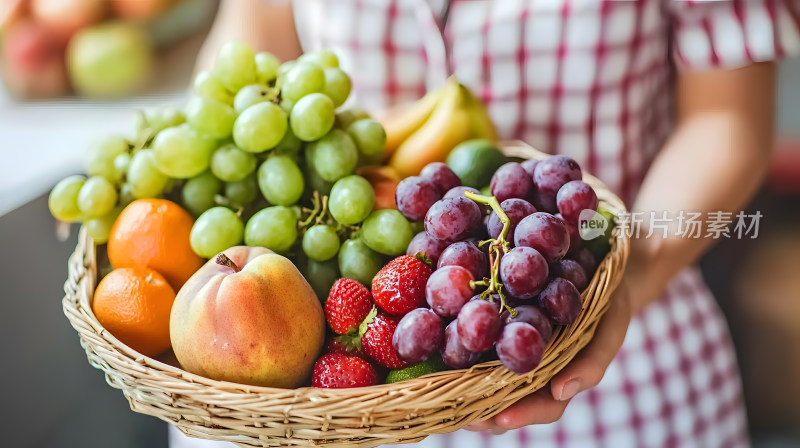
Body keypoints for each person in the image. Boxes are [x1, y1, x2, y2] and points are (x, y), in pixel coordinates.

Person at [172, 1, 800, 447]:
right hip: (318, 368)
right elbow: (255, 59)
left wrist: (631, 273)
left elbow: (727, 121)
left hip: (600, 327)